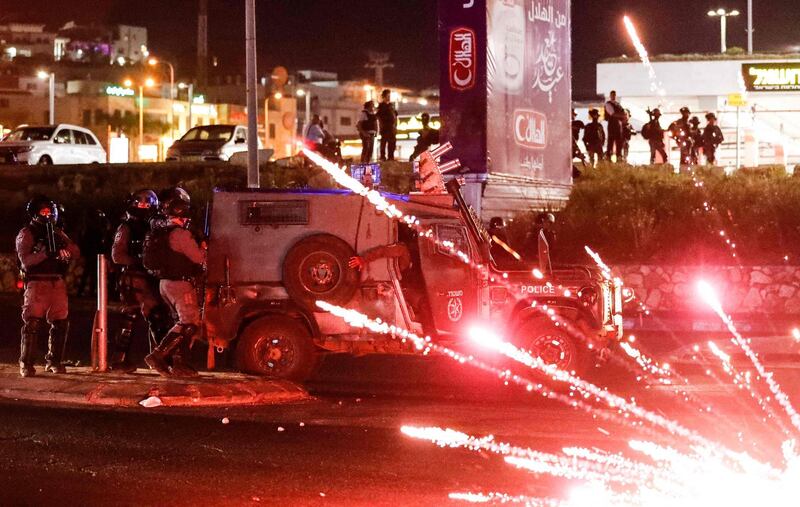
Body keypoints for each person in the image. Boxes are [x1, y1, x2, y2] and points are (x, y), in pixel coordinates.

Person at [142, 190, 206, 377]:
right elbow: (198, 257)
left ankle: (179, 363)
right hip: (180, 284)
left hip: (165, 284)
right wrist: (203, 247)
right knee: (189, 323)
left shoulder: (161, 230)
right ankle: (159, 355)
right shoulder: (180, 234)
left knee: (180, 323)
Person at [16, 196, 80, 377]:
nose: (48, 214)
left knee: (61, 322)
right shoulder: (27, 233)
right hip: (37, 282)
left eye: (50, 211)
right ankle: (26, 363)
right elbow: (25, 261)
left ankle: (54, 360)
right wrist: (45, 254)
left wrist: (64, 251)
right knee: (32, 323)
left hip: (56, 281)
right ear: (35, 213)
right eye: (44, 211)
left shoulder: (57, 231)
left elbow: (75, 252)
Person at [110, 189, 172, 373]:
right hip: (134, 277)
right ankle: (122, 360)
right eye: (141, 203)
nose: (144, 206)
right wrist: (140, 262)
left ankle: (159, 359)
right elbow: (117, 255)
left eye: (148, 203)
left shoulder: (156, 226)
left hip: (151, 277)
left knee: (157, 317)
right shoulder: (126, 227)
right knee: (134, 318)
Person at [348, 225, 433, 335]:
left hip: (423, 288)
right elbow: (383, 251)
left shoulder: (428, 254)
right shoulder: (404, 249)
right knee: (424, 304)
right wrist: (363, 259)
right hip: (407, 288)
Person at [75, 209, 112, 297]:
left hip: (94, 253)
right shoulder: (93, 230)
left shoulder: (94, 230)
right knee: (90, 273)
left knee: (91, 273)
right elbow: (87, 242)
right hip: (93, 253)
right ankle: (86, 291)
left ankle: (87, 291)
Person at [376, 89, 398, 161]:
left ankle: (391, 157)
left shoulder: (390, 105)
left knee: (392, 143)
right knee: (384, 142)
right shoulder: (382, 106)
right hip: (385, 127)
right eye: (388, 96)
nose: (389, 97)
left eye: (389, 96)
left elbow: (394, 115)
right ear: (384, 96)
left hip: (391, 128)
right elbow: (379, 116)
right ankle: (383, 156)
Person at [604, 90, 626, 162]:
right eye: (612, 95)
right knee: (610, 143)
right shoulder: (608, 104)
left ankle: (619, 159)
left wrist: (623, 116)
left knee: (619, 143)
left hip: (618, 126)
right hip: (612, 125)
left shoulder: (618, 104)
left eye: (614, 95)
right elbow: (612, 114)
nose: (613, 96)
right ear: (610, 96)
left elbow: (624, 113)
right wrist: (622, 116)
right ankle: (608, 159)